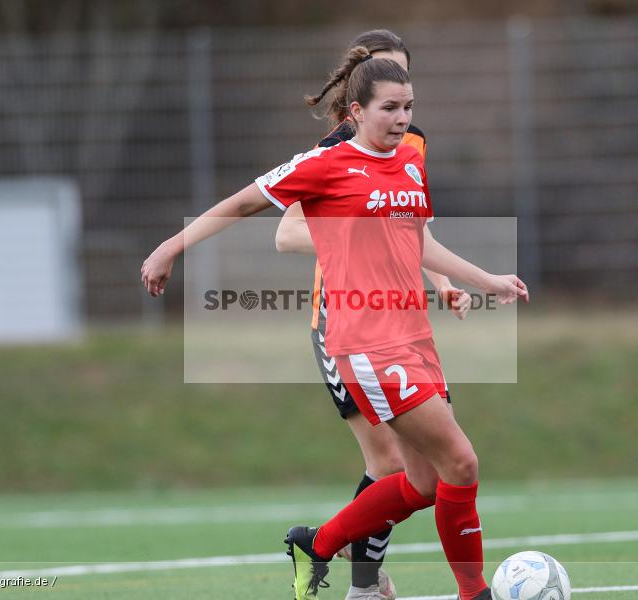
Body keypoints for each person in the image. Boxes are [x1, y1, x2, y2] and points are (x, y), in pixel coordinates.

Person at [141, 50, 527, 600]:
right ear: (355, 111)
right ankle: (475, 594)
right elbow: (242, 205)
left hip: (416, 336)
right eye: (389, 108)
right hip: (366, 344)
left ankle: (316, 544)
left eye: (408, 107)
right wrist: (169, 248)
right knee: (461, 462)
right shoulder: (324, 163)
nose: (401, 119)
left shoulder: (411, 163)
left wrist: (485, 280)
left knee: (421, 485)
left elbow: (417, 241)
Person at [274, 29, 472, 600]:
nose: (401, 106)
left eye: (406, 87)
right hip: (342, 321)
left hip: (402, 323)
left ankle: (327, 551)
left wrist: (444, 281)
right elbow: (287, 232)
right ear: (358, 90)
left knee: (426, 474)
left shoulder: (410, 144)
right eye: (387, 83)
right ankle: (363, 583)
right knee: (391, 462)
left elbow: (412, 227)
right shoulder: (334, 153)